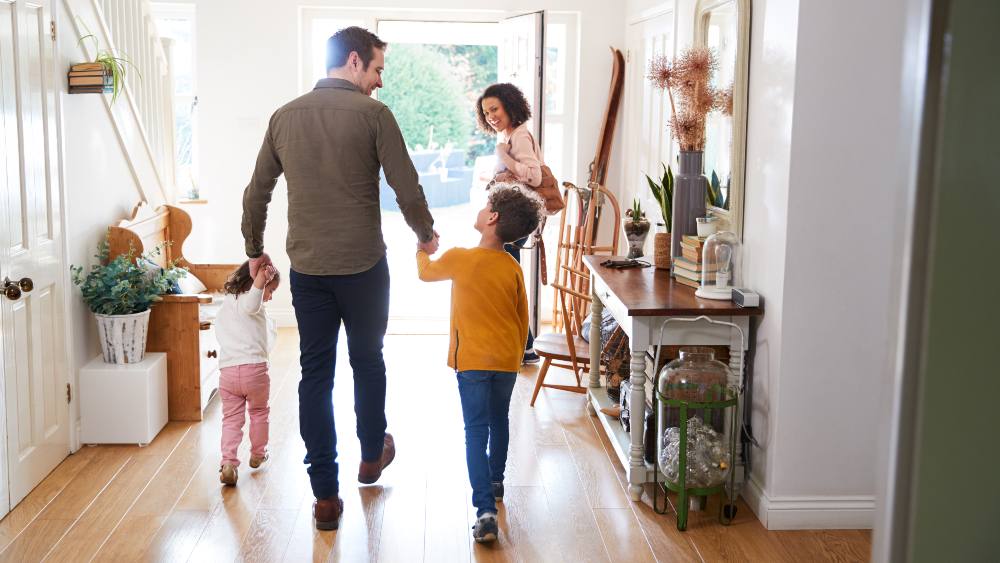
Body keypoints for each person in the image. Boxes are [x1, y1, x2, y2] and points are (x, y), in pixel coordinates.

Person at [241, 26, 440, 530]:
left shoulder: (284, 117)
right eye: (377, 69)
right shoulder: (374, 116)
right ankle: (371, 455)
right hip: (365, 268)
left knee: (315, 375)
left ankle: (325, 496)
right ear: (354, 61)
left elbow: (255, 194)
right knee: (369, 361)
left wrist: (253, 252)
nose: (379, 82)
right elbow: (406, 186)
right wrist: (426, 235)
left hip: (309, 271)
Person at [416, 184, 543, 543]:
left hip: (471, 361)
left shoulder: (459, 257)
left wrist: (421, 250)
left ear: (492, 218)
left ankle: (485, 509)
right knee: (499, 419)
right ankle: (496, 481)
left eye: (486, 204)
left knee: (475, 430)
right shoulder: (512, 267)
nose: (481, 208)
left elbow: (426, 272)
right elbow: (523, 319)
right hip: (505, 360)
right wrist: (516, 355)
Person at [475, 82, 543, 364]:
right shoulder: (511, 136)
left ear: (509, 106)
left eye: (495, 108)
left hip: (513, 223)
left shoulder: (520, 136)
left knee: (506, 284)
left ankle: (523, 347)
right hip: (508, 220)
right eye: (486, 111)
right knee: (508, 282)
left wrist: (503, 156)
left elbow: (534, 176)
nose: (491, 115)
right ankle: (524, 347)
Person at [216, 262, 280, 487]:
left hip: (228, 372)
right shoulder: (251, 302)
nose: (269, 297)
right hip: (254, 370)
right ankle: (258, 453)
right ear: (256, 284)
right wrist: (261, 282)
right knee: (259, 413)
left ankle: (228, 463)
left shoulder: (226, 303)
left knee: (231, 419)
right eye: (270, 291)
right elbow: (253, 302)